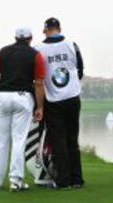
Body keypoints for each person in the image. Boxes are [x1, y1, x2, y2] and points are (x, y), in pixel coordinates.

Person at [0, 28, 45, 192]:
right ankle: (15, 181)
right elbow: (39, 83)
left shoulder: (2, 52)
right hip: (23, 98)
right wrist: (40, 106)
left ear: (15, 37)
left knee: (0, 140)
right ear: (30, 38)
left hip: (4, 96)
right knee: (19, 140)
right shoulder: (35, 55)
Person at [35, 17, 85, 189]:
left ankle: (63, 181)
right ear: (60, 28)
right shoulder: (72, 45)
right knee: (72, 139)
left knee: (58, 141)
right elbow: (80, 70)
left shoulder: (38, 49)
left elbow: (38, 77)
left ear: (45, 30)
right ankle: (77, 179)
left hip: (53, 100)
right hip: (73, 97)